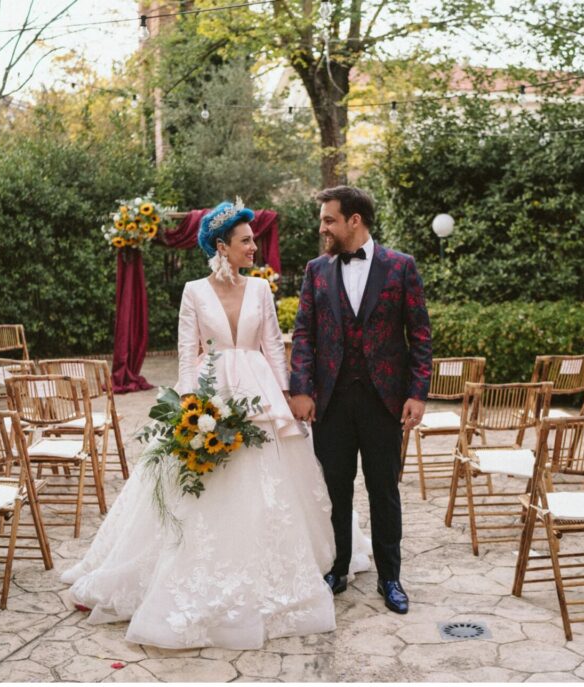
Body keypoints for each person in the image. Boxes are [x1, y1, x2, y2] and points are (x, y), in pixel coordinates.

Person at [61, 199, 370, 650]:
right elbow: (187, 351)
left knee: (267, 482)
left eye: (254, 240)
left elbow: (271, 346)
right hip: (210, 389)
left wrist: (285, 396)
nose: (254, 248)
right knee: (201, 481)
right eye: (246, 241)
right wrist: (189, 407)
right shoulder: (193, 290)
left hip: (258, 391)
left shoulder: (261, 289)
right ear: (222, 246)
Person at [289, 186, 432, 615]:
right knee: (334, 490)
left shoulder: (400, 266)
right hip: (330, 401)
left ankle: (391, 577)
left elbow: (420, 335)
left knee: (383, 490)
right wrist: (301, 388)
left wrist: (417, 393)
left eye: (329, 219)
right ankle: (338, 567)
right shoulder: (316, 270)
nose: (322, 227)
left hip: (384, 400)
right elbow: (303, 334)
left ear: (355, 220)